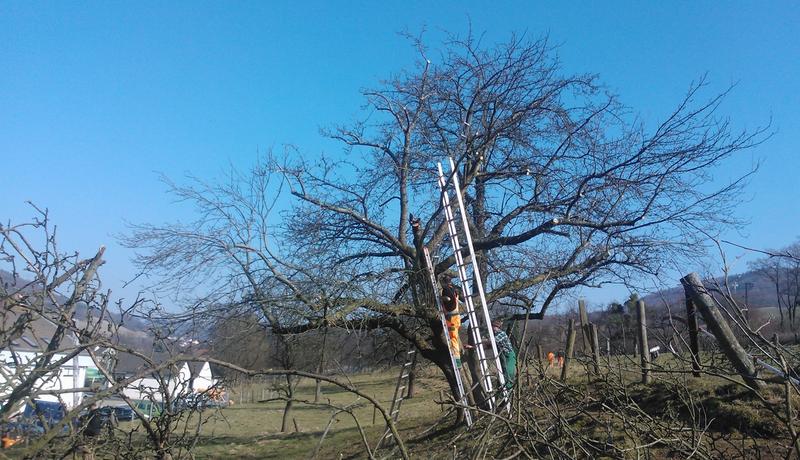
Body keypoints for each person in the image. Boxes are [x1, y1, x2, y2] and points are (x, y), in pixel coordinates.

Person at [440, 274, 464, 367]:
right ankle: (457, 358)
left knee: (453, 339)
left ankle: (457, 361)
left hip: (451, 319)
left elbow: (448, 299)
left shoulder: (446, 290)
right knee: (455, 338)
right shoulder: (454, 289)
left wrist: (441, 298)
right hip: (456, 318)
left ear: (443, 282)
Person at [491, 318, 517, 389]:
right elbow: (488, 345)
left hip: (509, 356)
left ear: (497, 327)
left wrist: (481, 340)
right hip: (503, 357)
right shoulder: (495, 335)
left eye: (493, 327)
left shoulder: (501, 334)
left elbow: (492, 341)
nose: (492, 329)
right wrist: (473, 346)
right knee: (502, 375)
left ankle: (509, 391)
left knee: (507, 374)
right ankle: (502, 392)